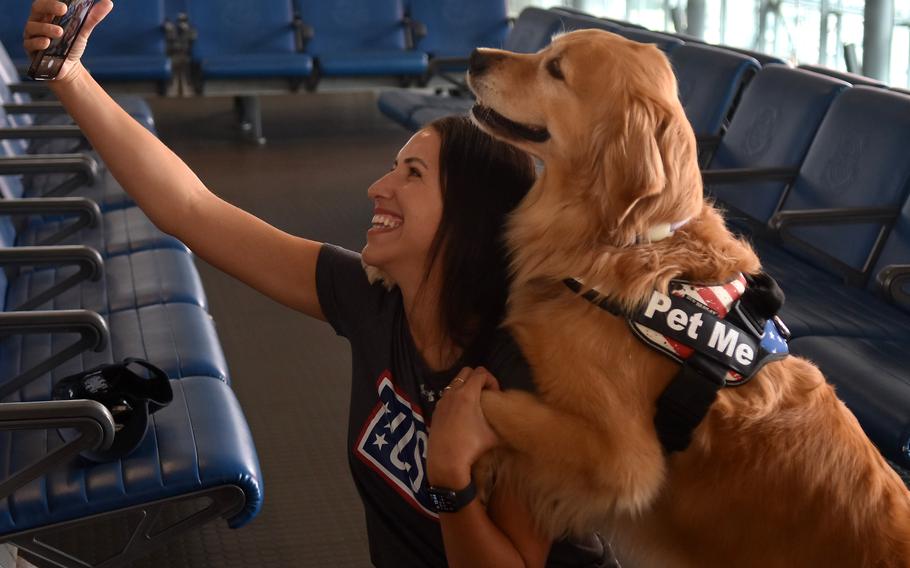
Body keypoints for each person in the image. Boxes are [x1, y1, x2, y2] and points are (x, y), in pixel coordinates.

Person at [23, 2, 618, 566]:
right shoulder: (373, 299)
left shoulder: (522, 374)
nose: (377, 188)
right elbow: (192, 209)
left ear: (469, 215)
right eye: (392, 168)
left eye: (411, 174)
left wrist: (452, 480)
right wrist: (71, 76)